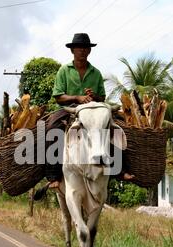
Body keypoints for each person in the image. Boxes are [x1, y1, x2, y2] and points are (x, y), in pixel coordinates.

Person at [35, 33, 133, 199]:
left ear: (89, 51)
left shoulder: (95, 73)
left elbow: (102, 97)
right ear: (72, 50)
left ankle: (119, 170)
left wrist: (94, 96)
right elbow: (58, 96)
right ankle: (53, 176)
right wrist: (77, 97)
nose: (82, 51)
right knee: (52, 127)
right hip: (70, 109)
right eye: (78, 48)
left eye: (85, 48)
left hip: (93, 110)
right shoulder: (64, 71)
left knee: (115, 128)